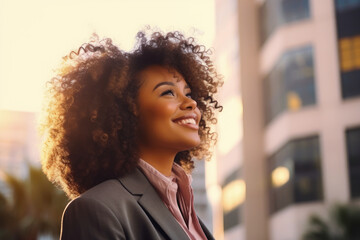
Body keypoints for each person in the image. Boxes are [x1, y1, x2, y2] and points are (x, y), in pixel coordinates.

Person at [40, 30, 223, 240]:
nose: (191, 103)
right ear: (126, 110)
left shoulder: (187, 212)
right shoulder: (96, 210)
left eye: (188, 93)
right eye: (168, 92)